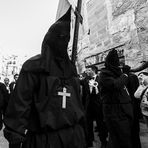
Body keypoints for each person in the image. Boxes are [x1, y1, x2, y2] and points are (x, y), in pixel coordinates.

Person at [3, 7, 86, 148]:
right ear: (50, 39)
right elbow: (20, 105)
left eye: (67, 38)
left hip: (74, 138)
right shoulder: (33, 66)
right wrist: (15, 135)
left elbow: (77, 104)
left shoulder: (70, 68)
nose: (64, 41)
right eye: (60, 37)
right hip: (45, 140)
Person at [98, 49, 133, 148]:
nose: (119, 66)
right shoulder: (104, 74)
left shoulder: (118, 74)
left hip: (124, 111)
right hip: (114, 112)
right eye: (116, 63)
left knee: (124, 138)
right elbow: (115, 85)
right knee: (120, 139)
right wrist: (125, 74)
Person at [83, 66, 108, 148]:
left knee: (101, 124)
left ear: (93, 71)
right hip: (88, 106)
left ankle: (103, 142)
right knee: (88, 124)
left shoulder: (101, 79)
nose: (87, 71)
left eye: (89, 70)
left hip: (99, 105)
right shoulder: (85, 80)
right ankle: (89, 141)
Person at [122, 65, 142, 148]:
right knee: (135, 130)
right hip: (134, 105)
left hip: (129, 106)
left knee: (130, 130)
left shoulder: (126, 78)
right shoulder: (134, 77)